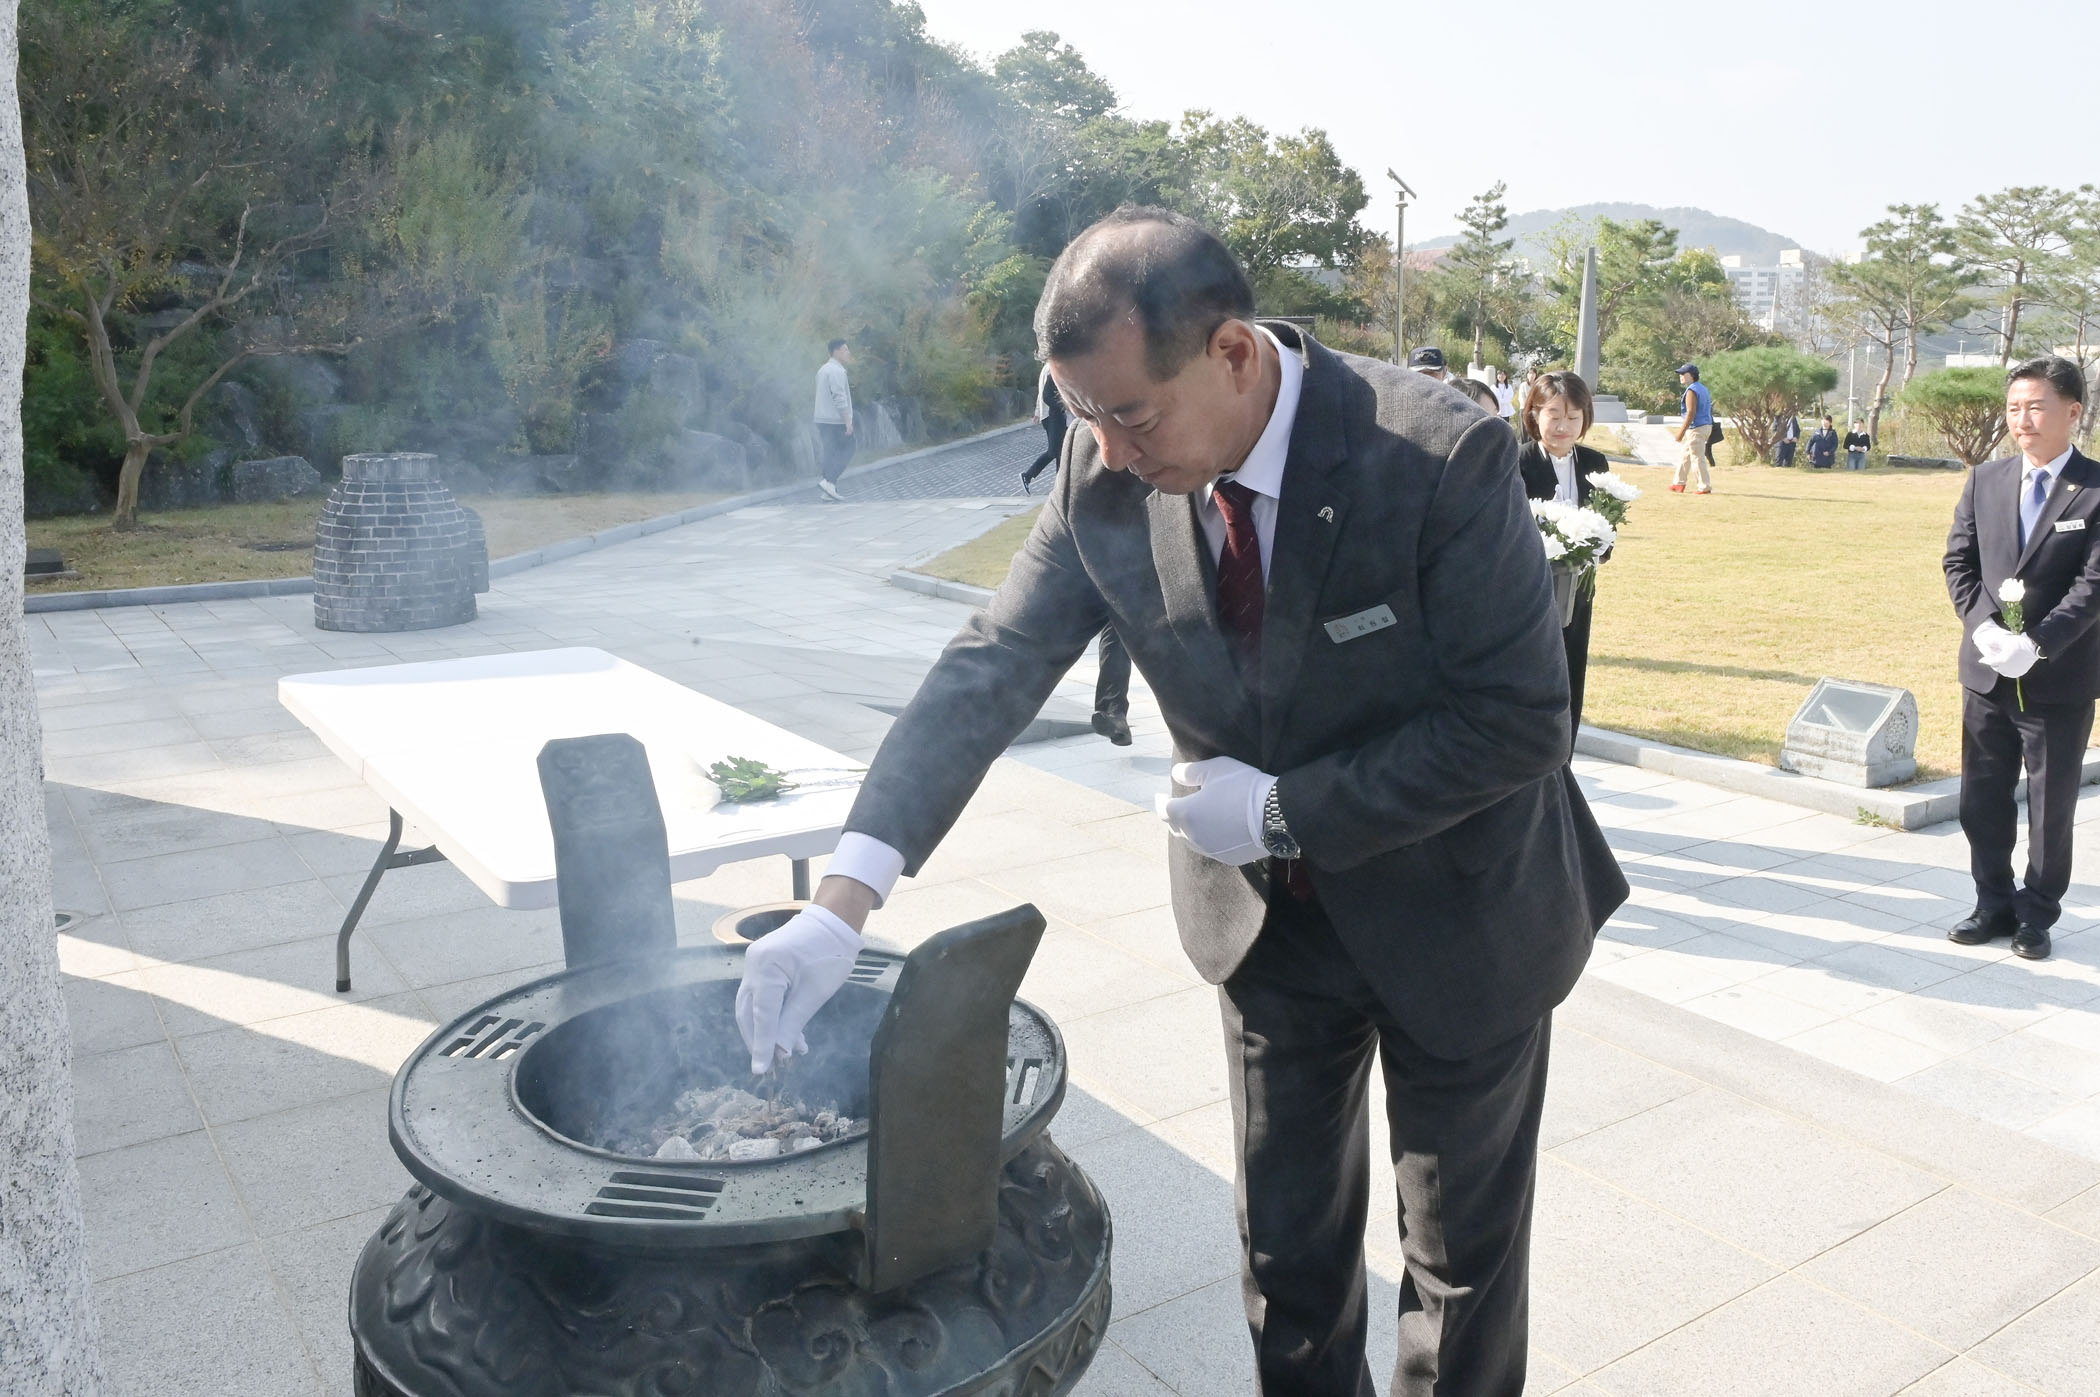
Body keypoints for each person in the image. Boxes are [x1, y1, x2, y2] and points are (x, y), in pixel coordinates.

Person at [736, 206, 1627, 1396]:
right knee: (1287, 1258)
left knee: (1458, 1273)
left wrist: (1282, 810)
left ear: (1233, 353)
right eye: (1084, 415)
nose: (1109, 451)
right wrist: (842, 900)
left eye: (1131, 415)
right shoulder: (1103, 473)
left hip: (1459, 908)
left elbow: (1518, 720)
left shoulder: (1435, 456)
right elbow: (992, 664)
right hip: (1272, 926)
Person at [1943, 356, 2099, 964]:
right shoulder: (1987, 479)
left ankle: (2036, 914)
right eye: (2013, 408)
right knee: (1980, 799)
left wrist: (2036, 643)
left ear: (2073, 411)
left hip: (2058, 676)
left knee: (2049, 806)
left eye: (2036, 406)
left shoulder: (2094, 487)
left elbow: (2092, 585)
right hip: (1986, 674)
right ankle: (1992, 903)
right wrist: (1984, 628)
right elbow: (1959, 562)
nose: (2022, 420)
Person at [1518, 372, 1607, 746]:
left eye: (1573, 417)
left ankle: (1564, 759)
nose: (1562, 427)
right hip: (1526, 594)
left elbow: (1606, 524)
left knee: (1572, 673)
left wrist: (1598, 544)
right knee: (1531, 677)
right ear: (1534, 414)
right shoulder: (1517, 461)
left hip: (1578, 592)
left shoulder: (1594, 463)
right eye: (1553, 415)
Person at [814, 338, 855, 502]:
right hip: (835, 420)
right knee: (849, 448)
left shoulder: (823, 369)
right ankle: (829, 482)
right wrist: (847, 421)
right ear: (836, 352)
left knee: (830, 453)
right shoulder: (836, 371)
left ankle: (828, 490)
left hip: (822, 419)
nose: (848, 352)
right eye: (845, 349)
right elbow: (839, 398)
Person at [1021, 360, 1068, 492]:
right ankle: (1028, 475)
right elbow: (1045, 394)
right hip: (1052, 415)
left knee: (1060, 452)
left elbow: (1041, 393)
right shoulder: (1051, 368)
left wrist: (1037, 412)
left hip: (1049, 414)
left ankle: (1060, 486)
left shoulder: (1048, 367)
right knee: (1055, 451)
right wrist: (1063, 406)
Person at [1670, 362, 1714, 494]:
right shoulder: (1702, 388)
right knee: (1685, 455)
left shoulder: (1692, 390)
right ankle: (1678, 483)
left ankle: (1704, 487)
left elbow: (1691, 413)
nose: (1681, 376)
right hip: (1705, 426)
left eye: (1684, 373)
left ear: (1692, 375)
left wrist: (1681, 433)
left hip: (1696, 428)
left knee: (1697, 458)